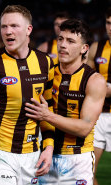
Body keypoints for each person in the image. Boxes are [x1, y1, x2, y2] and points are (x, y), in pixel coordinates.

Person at [0, 5, 55, 185]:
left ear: (29, 29)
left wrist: (48, 148)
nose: (8, 32)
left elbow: (47, 110)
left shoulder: (46, 63)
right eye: (4, 27)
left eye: (14, 26)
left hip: (33, 154)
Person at [24, 19, 106, 184]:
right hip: (43, 154)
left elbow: (84, 128)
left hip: (77, 158)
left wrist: (47, 115)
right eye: (61, 39)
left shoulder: (94, 80)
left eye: (70, 41)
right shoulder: (45, 73)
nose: (62, 45)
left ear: (84, 48)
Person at [87, 7, 111, 185]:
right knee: (88, 171)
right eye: (109, 23)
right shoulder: (97, 47)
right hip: (99, 115)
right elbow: (87, 79)